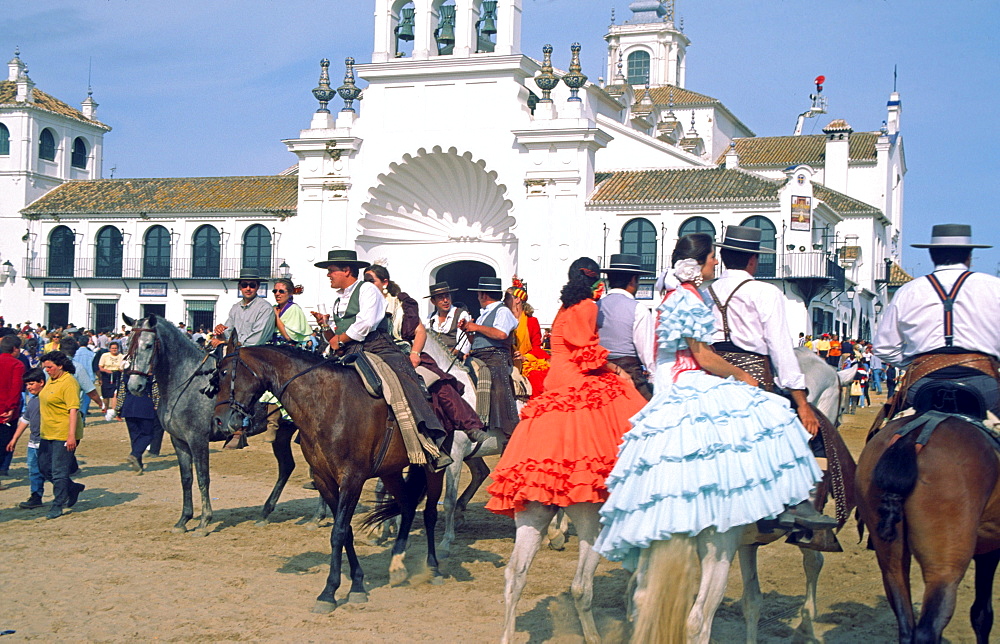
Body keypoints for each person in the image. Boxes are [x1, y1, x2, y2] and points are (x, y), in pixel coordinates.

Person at [594, 234, 825, 569]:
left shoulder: (684, 294)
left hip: (670, 380)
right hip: (694, 375)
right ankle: (790, 505)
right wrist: (744, 378)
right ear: (700, 263)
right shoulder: (691, 298)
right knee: (774, 417)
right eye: (711, 258)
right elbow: (703, 356)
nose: (716, 262)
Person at [486, 256, 647, 516]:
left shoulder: (565, 306)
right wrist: (618, 371)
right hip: (574, 377)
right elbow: (587, 353)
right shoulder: (586, 306)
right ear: (595, 281)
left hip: (555, 379)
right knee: (628, 405)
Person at [705, 225, 835, 530]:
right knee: (811, 434)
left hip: (710, 377)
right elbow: (781, 349)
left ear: (723, 258)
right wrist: (802, 403)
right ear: (753, 261)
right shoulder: (765, 292)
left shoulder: (703, 292)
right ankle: (798, 504)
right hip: (754, 380)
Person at [310, 249, 451, 470]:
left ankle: (430, 441)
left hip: (377, 347)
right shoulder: (339, 300)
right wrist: (325, 327)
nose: (328, 275)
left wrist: (340, 339)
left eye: (331, 271)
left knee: (403, 382)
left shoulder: (367, 290)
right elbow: (336, 339)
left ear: (347, 270)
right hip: (348, 349)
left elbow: (366, 323)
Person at [874, 224, 1000, 415]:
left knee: (885, 431)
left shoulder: (908, 291)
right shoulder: (994, 287)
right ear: (969, 256)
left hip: (924, 383)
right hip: (983, 383)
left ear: (932, 255)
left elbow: (884, 347)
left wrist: (921, 362)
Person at [367, 265, 486, 443]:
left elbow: (422, 333)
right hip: (371, 351)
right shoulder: (361, 303)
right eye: (440, 297)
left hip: (419, 353)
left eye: (371, 281)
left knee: (437, 381)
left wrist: (415, 353)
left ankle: (469, 424)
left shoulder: (400, 305)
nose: (445, 300)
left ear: (384, 282)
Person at [212, 269, 276, 448]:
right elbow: (229, 329)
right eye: (245, 285)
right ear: (240, 287)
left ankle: (242, 429)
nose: (248, 288)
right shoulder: (235, 308)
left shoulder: (264, 308)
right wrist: (220, 331)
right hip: (235, 355)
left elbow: (258, 338)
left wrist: (229, 342)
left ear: (258, 287)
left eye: (252, 285)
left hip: (255, 355)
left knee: (243, 388)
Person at [458, 277, 520, 440]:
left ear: (483, 295)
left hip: (496, 356)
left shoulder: (502, 311)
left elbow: (501, 334)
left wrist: (475, 327)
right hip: (479, 356)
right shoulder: (483, 315)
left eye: (479, 294)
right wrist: (468, 331)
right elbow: (478, 342)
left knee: (499, 387)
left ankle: (511, 430)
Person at [259, 277, 312, 443]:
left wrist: (276, 318)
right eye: (275, 291)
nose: (277, 294)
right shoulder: (275, 309)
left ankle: (275, 424)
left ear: (290, 294)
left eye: (281, 291)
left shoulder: (293, 310)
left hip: (289, 353)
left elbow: (289, 336)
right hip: (273, 350)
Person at [597, 254, 655, 400]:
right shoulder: (638, 309)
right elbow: (646, 352)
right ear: (633, 279)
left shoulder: (596, 307)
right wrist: (654, 378)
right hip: (629, 373)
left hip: (599, 372)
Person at [37, 351, 85, 519]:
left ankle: (57, 504)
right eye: (45, 367)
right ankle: (72, 488)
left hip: (63, 433)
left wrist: (71, 435)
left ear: (60, 366)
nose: (47, 370)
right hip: (47, 432)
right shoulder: (52, 380)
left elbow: (73, 410)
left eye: (49, 367)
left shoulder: (69, 382)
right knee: (43, 467)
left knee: (59, 471)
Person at [7, 369, 47, 508]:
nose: (29, 387)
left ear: (41, 382)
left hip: (47, 441)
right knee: (34, 471)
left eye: (31, 384)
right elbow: (25, 420)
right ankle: (36, 496)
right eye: (27, 385)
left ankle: (67, 491)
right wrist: (14, 439)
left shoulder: (48, 399)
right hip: (33, 443)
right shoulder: (32, 401)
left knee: (49, 470)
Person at [505, 277, 550, 399]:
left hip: (526, 361)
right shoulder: (502, 319)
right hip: (506, 359)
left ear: (517, 300)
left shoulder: (532, 321)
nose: (504, 300)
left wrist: (524, 357)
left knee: (537, 377)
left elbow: (536, 346)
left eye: (507, 297)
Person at [0, 334, 26, 478]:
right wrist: (11, 408)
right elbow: (15, 389)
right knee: (7, 442)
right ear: (15, 349)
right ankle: (3, 468)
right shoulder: (17, 364)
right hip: (6, 411)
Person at [117, 382, 158, 474]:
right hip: (145, 405)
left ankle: (138, 464)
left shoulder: (126, 373)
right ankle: (134, 455)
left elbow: (121, 392)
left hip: (129, 405)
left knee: (135, 437)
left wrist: (118, 409)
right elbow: (156, 391)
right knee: (148, 435)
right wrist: (157, 405)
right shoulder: (149, 373)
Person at [425, 281, 472, 358]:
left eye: (447, 296)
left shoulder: (461, 314)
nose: (445, 300)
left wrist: (448, 353)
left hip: (455, 360)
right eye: (440, 298)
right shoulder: (430, 317)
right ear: (433, 301)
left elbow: (464, 346)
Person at [98, 341, 124, 418]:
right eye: (112, 348)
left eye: (116, 348)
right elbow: (100, 367)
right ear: (109, 349)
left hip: (117, 374)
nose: (114, 350)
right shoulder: (105, 355)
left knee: (115, 393)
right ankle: (105, 407)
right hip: (106, 375)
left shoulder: (121, 356)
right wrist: (106, 371)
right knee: (106, 393)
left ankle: (114, 410)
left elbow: (123, 366)